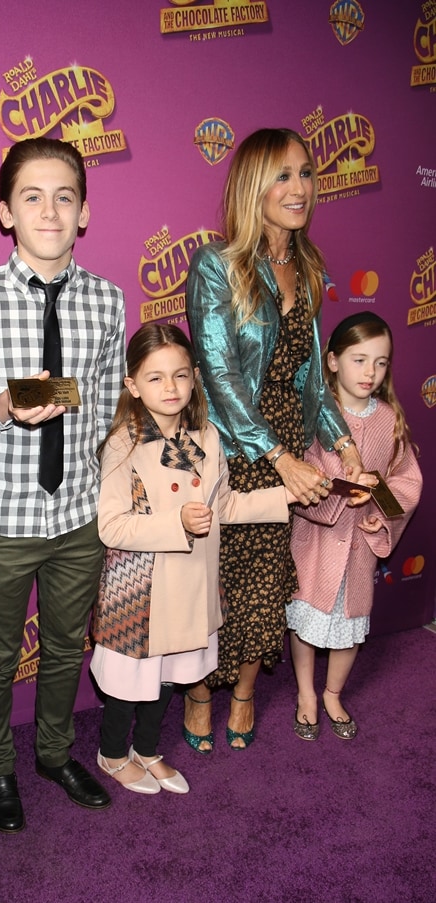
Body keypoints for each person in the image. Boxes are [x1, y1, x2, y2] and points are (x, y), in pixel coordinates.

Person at [0, 138, 126, 831]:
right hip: (2, 514)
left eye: (65, 196)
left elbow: (113, 403)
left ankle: (55, 752)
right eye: (32, 196)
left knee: (66, 646)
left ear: (84, 212)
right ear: (5, 211)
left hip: (81, 514)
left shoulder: (109, 301)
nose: (50, 210)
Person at [184, 127, 363, 752]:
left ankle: (242, 693)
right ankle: (201, 692)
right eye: (282, 175)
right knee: (211, 582)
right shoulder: (216, 263)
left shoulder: (309, 266)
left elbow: (311, 375)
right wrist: (278, 457)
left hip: (288, 444)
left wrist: (341, 442)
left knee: (264, 582)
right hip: (234, 447)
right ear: (253, 185)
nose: (299, 188)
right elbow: (218, 371)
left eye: (307, 173)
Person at [91, 324, 295, 795]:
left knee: (168, 678)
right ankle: (113, 754)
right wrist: (176, 522)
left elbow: (225, 507)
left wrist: (290, 495)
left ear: (195, 378)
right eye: (156, 377)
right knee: (130, 682)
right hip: (138, 590)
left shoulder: (205, 437)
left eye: (180, 375)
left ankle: (147, 749)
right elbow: (112, 526)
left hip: (190, 584)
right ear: (132, 384)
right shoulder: (124, 442)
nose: (170, 388)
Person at [287, 312, 422, 740]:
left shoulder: (390, 420)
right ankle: (306, 693)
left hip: (359, 546)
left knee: (349, 627)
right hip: (316, 543)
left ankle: (332, 693)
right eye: (359, 360)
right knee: (306, 622)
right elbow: (300, 475)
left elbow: (406, 482)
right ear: (332, 361)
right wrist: (337, 491)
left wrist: (376, 505)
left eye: (381, 363)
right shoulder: (313, 414)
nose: (370, 372)